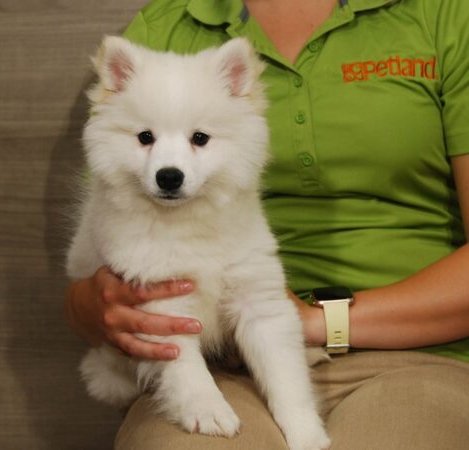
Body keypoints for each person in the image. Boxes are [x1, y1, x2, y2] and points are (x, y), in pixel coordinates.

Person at [65, 0, 469, 448]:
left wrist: (315, 322)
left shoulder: (440, 14)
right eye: (148, 139)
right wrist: (95, 306)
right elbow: (93, 272)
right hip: (222, 367)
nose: (169, 163)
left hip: (417, 357)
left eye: (199, 139)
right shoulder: (168, 25)